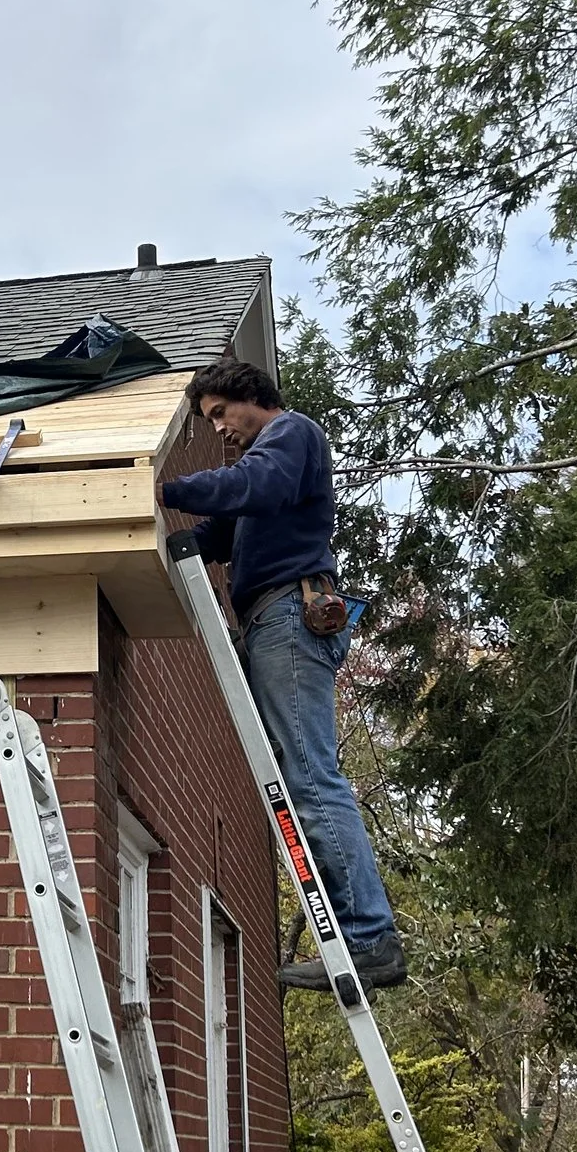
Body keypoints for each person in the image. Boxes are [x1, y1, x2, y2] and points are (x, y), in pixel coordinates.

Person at [159, 358, 407, 992]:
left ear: (251, 398)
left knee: (311, 776)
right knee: (298, 779)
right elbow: (222, 529)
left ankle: (369, 937)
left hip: (290, 617)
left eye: (220, 413)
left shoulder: (289, 434)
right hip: (270, 621)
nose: (218, 429)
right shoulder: (261, 470)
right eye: (209, 419)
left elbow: (253, 487)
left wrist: (163, 487)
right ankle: (360, 933)